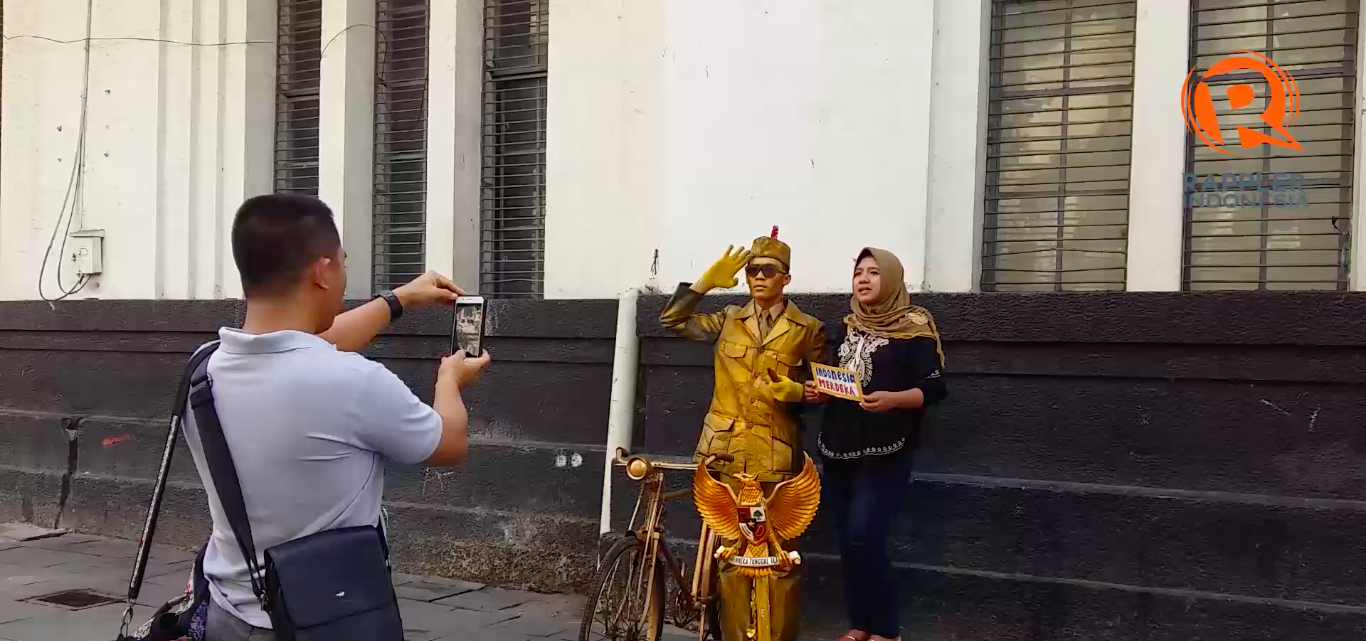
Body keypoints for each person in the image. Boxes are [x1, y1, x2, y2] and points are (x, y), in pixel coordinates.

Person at [181, 194, 490, 641]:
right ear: (322, 271)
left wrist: (398, 300)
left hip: (226, 613)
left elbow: (309, 343)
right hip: (325, 618)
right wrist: (449, 380)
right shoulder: (351, 380)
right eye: (342, 263)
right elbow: (448, 444)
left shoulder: (203, 369)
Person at [659, 227, 825, 641]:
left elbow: (828, 388)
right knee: (731, 557)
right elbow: (672, 321)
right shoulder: (730, 318)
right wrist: (703, 284)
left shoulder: (807, 329)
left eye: (768, 270)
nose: (758, 277)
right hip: (726, 451)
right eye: (752, 270)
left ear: (786, 277)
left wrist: (799, 392)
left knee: (780, 559)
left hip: (775, 453)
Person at [805, 247, 947, 641]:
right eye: (858, 273)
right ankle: (861, 624)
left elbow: (935, 388)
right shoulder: (847, 326)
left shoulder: (914, 326)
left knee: (866, 535)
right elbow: (842, 378)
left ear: (892, 278)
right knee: (848, 541)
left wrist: (894, 399)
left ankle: (886, 631)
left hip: (887, 447)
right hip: (839, 445)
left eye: (873, 272)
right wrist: (822, 392)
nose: (864, 279)